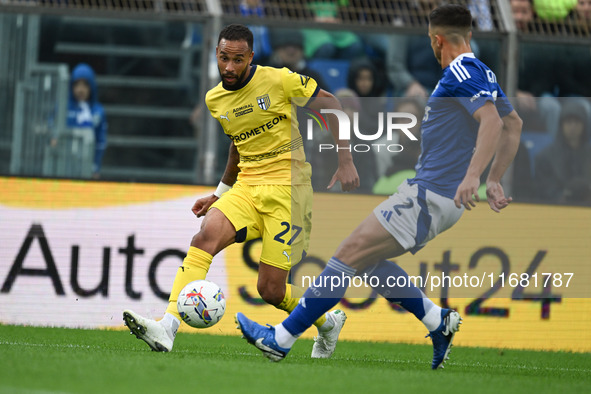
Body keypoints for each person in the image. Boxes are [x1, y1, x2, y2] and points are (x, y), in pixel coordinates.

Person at [236, 4, 522, 369]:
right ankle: (438, 321)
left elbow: (494, 124)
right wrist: (493, 178)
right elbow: (514, 123)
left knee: (347, 253)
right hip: (433, 194)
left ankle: (280, 338)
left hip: (431, 194)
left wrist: (474, 176)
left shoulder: (461, 70)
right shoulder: (483, 71)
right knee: (368, 262)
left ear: (436, 40)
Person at [123, 24, 359, 356]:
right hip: (247, 187)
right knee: (204, 237)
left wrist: (345, 159)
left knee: (271, 290)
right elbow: (238, 144)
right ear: (215, 56)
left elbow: (332, 104)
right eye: (223, 59)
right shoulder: (215, 99)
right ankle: (168, 327)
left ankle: (327, 322)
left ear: (250, 57)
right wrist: (219, 193)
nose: (229, 67)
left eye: (237, 60)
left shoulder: (279, 80)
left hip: (288, 193)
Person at [52, 63, 107, 179]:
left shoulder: (98, 111)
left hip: (86, 166)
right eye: (77, 85)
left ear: (91, 87)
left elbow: (101, 141)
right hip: (63, 164)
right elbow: (52, 125)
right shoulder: (63, 107)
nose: (80, 90)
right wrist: (53, 136)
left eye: (85, 85)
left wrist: (95, 167)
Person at [534, 100, 591, 204]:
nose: (573, 126)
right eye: (568, 122)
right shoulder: (545, 157)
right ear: (561, 125)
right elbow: (543, 190)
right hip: (556, 209)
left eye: (577, 122)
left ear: (584, 125)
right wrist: (563, 196)